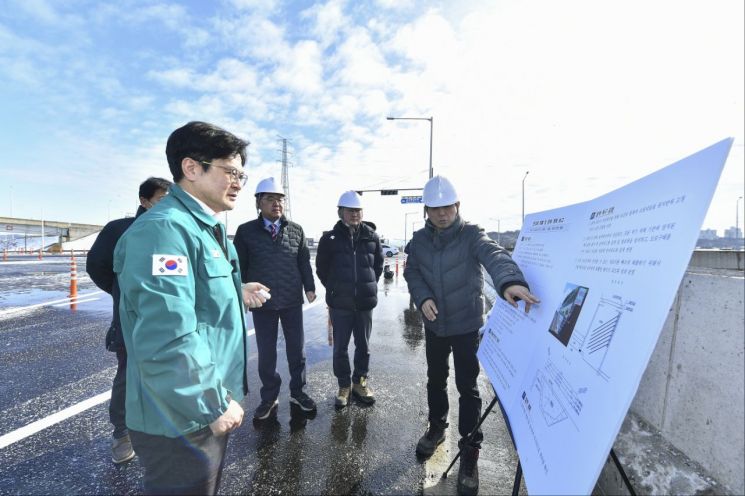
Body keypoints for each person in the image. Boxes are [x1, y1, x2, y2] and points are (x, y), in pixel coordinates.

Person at [113, 121, 268, 495]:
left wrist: (236, 290)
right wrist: (211, 404)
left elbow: (194, 302)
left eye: (241, 174)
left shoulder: (205, 228)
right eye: (230, 171)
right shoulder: (164, 230)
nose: (238, 182)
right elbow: (166, 334)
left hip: (198, 407)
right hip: (180, 417)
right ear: (191, 168)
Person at [403, 175, 539, 496]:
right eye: (435, 209)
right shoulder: (420, 241)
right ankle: (437, 427)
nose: (442, 214)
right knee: (435, 379)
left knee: (467, 386)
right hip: (435, 326)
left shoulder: (471, 235)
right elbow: (412, 272)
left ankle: (469, 450)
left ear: (457, 206)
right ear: (426, 211)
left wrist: (509, 282)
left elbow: (495, 255)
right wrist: (423, 298)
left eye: (447, 207)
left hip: (465, 326)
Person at [86, 176, 171, 464]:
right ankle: (122, 434)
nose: (168, 205)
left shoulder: (173, 230)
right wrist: (121, 292)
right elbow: (97, 265)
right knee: (128, 377)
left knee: (167, 375)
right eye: (161, 199)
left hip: (169, 322)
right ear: (144, 201)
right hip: (132, 321)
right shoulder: (120, 230)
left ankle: (158, 428)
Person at [233, 177, 317, 420]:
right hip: (263, 302)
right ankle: (269, 396)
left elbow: (303, 262)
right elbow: (239, 267)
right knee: (266, 353)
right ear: (259, 203)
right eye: (270, 199)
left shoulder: (296, 230)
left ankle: (298, 391)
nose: (276, 204)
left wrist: (309, 288)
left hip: (291, 299)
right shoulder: (246, 231)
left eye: (280, 199)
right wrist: (242, 292)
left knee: (297, 350)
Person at [316, 191, 384, 408]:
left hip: (364, 304)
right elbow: (321, 269)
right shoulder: (329, 238)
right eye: (350, 210)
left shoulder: (372, 237)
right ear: (341, 212)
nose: (355, 214)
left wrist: (366, 286)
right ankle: (344, 385)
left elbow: (378, 267)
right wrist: (337, 289)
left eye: (358, 210)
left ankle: (360, 383)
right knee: (340, 348)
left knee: (364, 346)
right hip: (341, 305)